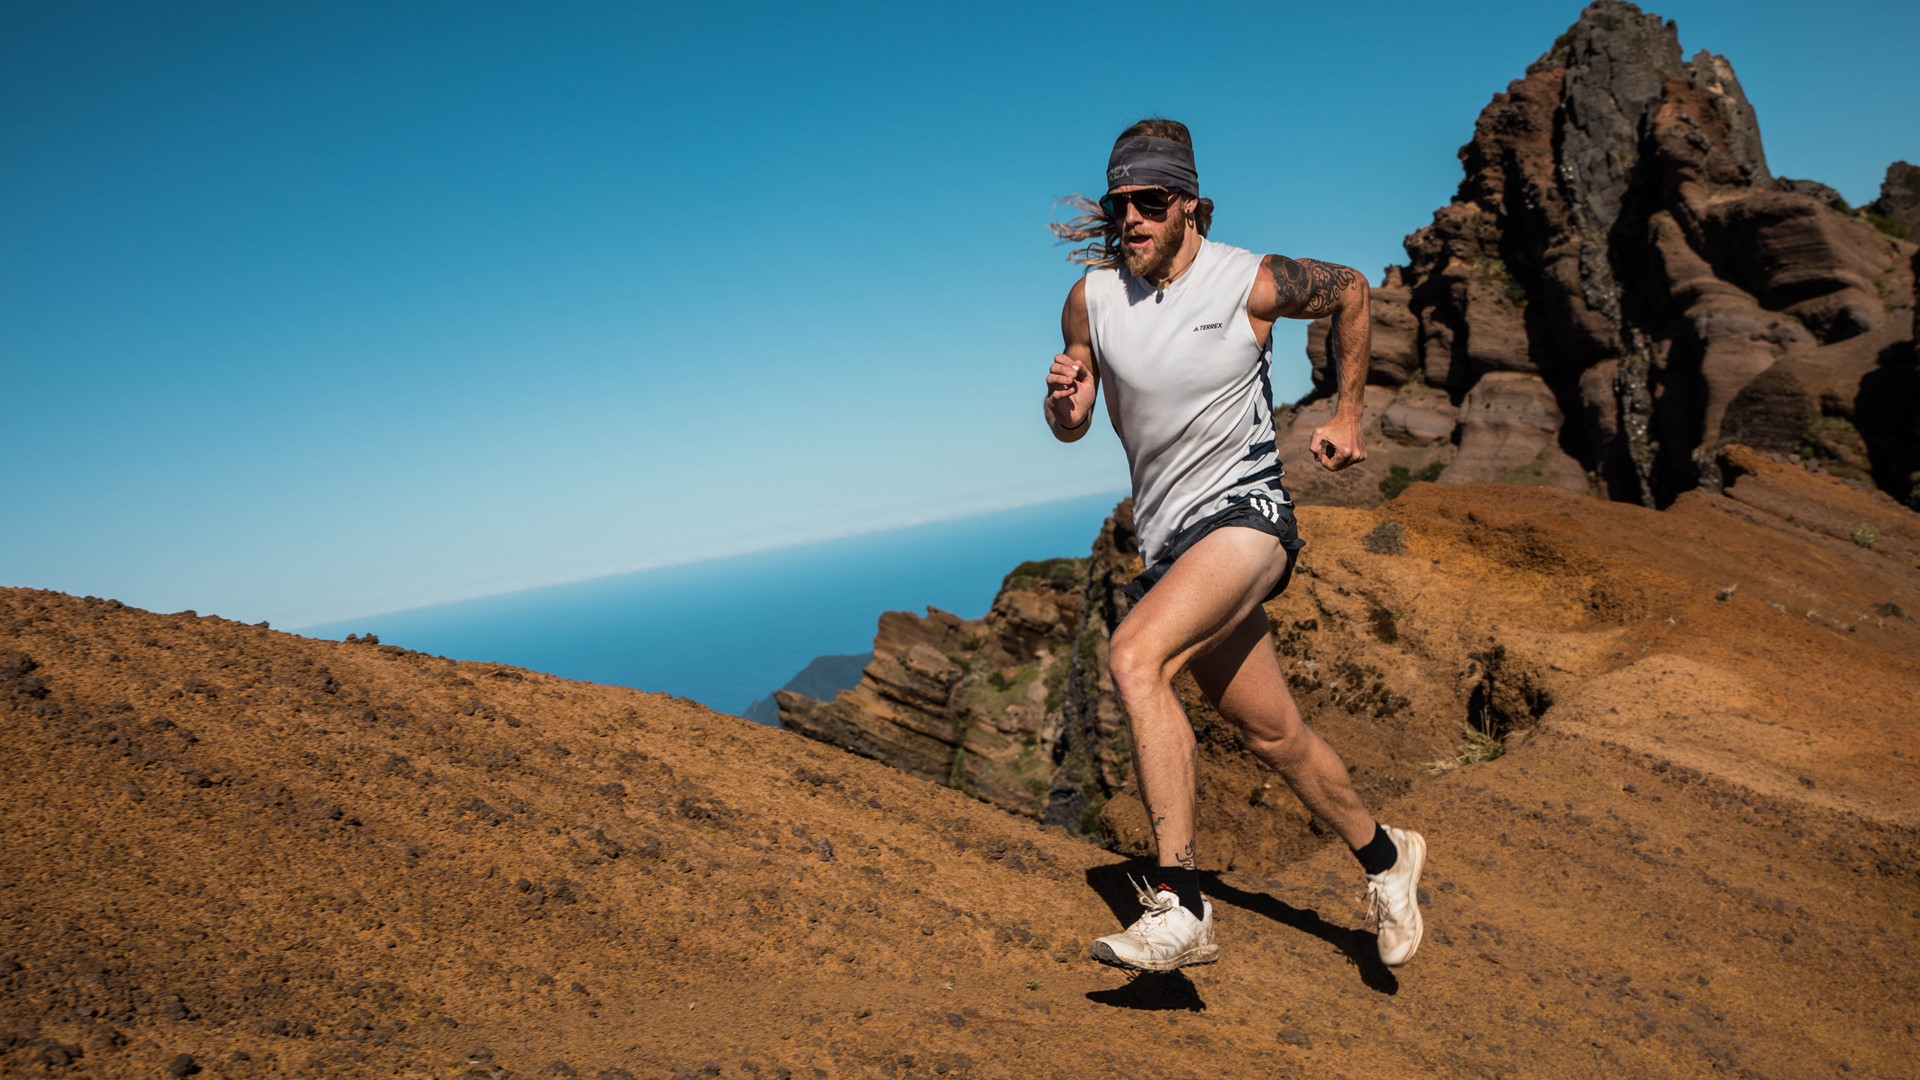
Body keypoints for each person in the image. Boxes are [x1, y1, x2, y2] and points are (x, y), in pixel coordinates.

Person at [1045, 118, 1425, 972]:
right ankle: (1387, 857)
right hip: (1171, 545)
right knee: (1274, 736)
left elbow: (1355, 289)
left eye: (1150, 201)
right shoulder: (1093, 301)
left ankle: (1180, 906)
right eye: (1120, 205)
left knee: (1137, 657)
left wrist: (1349, 412)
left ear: (1188, 204)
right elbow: (1072, 421)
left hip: (1249, 516)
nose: (1132, 218)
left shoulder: (1247, 281)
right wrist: (1063, 404)